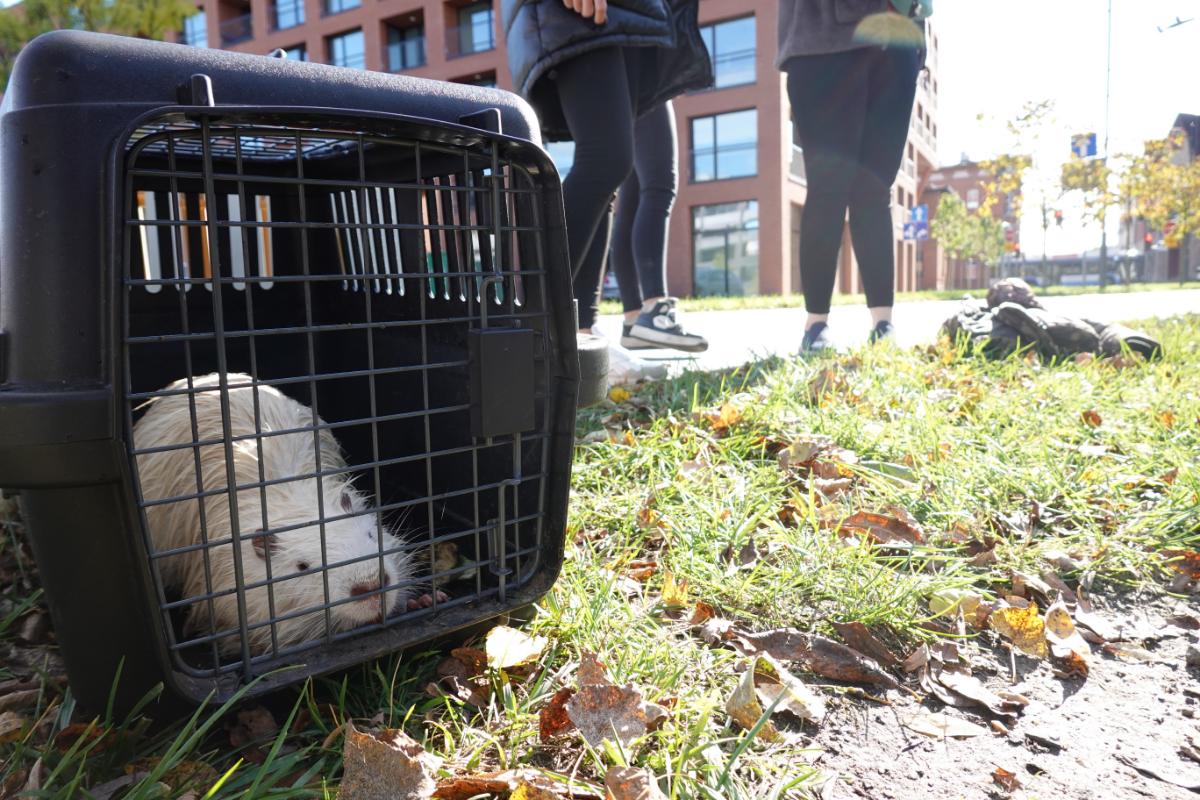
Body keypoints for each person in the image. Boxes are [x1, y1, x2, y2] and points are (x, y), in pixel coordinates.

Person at [501, 0, 712, 372]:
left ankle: (582, 334)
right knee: (606, 159)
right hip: (585, 13)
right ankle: (527, 333)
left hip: (628, 15)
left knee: (608, 167)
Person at [778, 0, 931, 351]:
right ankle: (816, 325)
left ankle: (883, 325)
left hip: (898, 40)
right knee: (828, 185)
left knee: (875, 189)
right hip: (822, 38)